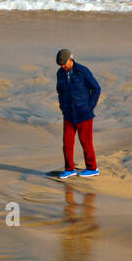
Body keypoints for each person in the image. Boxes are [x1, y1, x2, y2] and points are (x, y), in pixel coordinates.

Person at [55, 48, 100, 178]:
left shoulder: (83, 71)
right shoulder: (60, 73)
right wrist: (62, 106)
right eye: (60, 65)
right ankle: (69, 169)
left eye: (64, 63)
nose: (63, 66)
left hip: (84, 114)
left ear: (70, 59)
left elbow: (96, 88)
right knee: (67, 143)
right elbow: (60, 91)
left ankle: (92, 168)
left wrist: (89, 107)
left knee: (86, 142)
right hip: (68, 114)